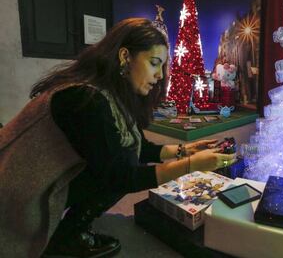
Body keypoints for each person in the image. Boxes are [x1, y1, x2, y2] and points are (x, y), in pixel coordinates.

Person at [0, 18, 237, 258]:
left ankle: (69, 233)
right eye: (155, 63)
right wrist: (191, 166)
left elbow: (137, 148)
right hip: (17, 193)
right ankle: (68, 237)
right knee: (120, 170)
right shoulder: (85, 98)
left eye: (163, 66)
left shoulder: (109, 93)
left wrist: (187, 150)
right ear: (125, 57)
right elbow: (120, 176)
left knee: (126, 160)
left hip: (37, 179)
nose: (159, 75)